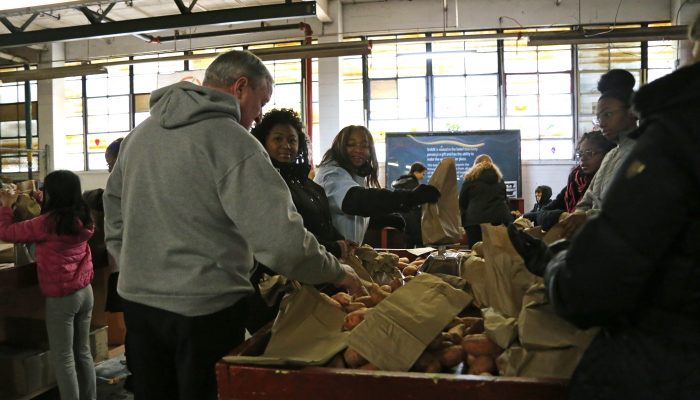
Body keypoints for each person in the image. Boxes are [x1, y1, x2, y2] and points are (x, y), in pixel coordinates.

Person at [103, 50, 362, 400]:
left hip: (139, 308)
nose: (258, 116)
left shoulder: (140, 136)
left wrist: (131, 260)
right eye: (261, 102)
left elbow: (112, 205)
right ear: (241, 88)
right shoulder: (234, 143)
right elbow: (282, 241)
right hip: (205, 311)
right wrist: (337, 272)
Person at [508, 14, 700, 399]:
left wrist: (553, 261)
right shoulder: (629, 152)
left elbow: (594, 287)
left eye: (608, 114)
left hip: (666, 367)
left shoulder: (671, 142)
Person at [247, 108, 355, 332]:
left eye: (292, 140)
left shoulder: (311, 186)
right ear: (263, 142)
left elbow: (324, 224)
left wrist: (342, 242)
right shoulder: (263, 183)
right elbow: (279, 237)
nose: (286, 145)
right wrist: (334, 248)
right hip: (282, 289)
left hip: (321, 279)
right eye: (278, 139)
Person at [0, 170, 96, 400]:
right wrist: (41, 200)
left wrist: (6, 205)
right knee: (83, 352)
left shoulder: (47, 223)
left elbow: (6, 232)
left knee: (63, 357)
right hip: (85, 291)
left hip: (62, 297)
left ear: (54, 193)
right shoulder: (82, 216)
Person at [314, 125, 440, 244]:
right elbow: (356, 201)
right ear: (339, 147)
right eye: (350, 145)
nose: (358, 150)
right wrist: (409, 198)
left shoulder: (353, 175)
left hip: (346, 255)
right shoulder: (331, 174)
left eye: (364, 146)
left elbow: (349, 215)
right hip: (330, 257)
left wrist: (381, 220)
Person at [559, 69, 638, 238]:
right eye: (599, 117)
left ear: (631, 112)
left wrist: (586, 218)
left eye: (607, 115)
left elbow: (629, 209)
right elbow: (587, 199)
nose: (601, 123)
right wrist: (578, 216)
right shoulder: (610, 156)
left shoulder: (642, 153)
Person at [536, 131, 616, 230]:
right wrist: (563, 216)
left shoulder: (610, 182)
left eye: (590, 153)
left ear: (608, 155)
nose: (583, 159)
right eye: (580, 154)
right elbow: (542, 213)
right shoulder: (576, 182)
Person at [459, 154, 513, 247]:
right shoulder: (499, 179)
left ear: (475, 165)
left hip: (475, 221)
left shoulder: (470, 178)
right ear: (491, 164)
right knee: (498, 251)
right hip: (499, 219)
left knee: (476, 253)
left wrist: (464, 221)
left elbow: (462, 202)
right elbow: (505, 199)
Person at [391, 162, 428, 247]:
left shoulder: (402, 181)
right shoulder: (412, 183)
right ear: (416, 172)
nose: (423, 176)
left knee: (408, 240)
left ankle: (409, 258)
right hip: (412, 215)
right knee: (418, 240)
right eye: (422, 173)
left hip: (403, 215)